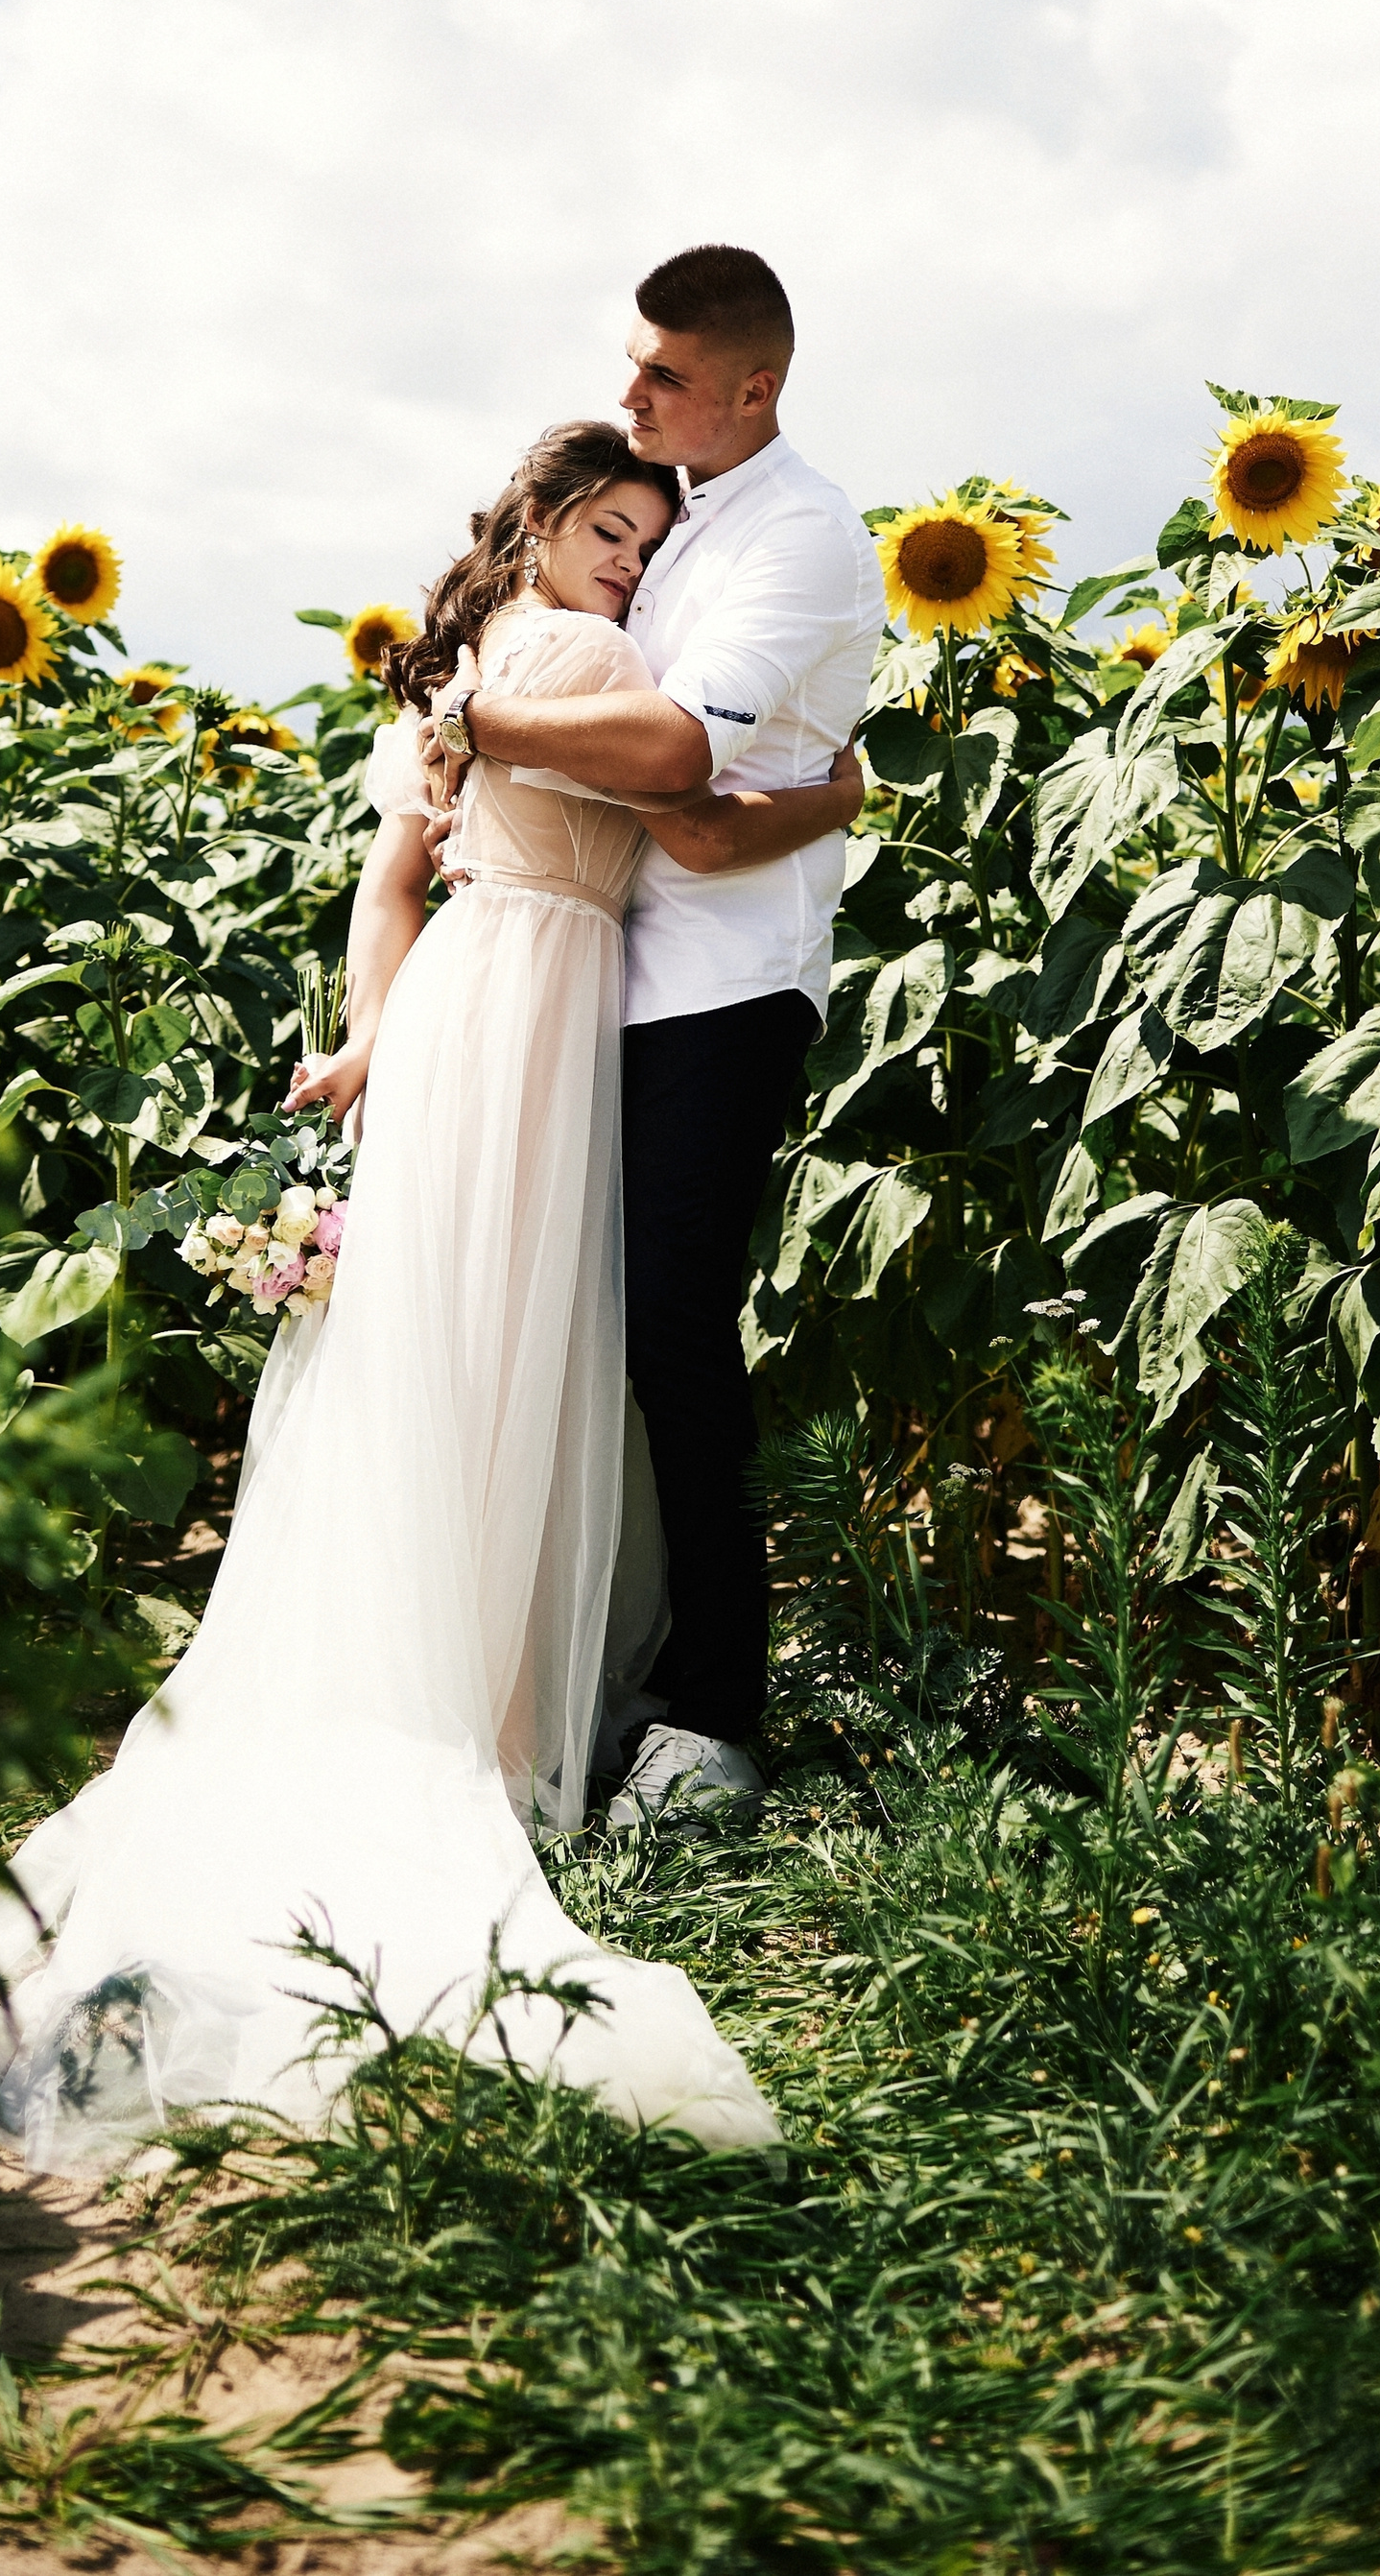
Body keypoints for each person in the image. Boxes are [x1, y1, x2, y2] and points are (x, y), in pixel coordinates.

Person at [0, 417, 861, 2166]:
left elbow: (390, 886)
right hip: (538, 998)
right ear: (538, 526)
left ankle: (471, 1689)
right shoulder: (589, 662)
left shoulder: (450, 674)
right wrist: (841, 790)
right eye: (607, 526)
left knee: (445, 1347)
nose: (630, 562)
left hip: (470, 1004)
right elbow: (695, 820)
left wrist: (376, 1034)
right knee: (522, 1342)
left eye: (647, 542)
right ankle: (501, 1724)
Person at [423, 247, 886, 1831]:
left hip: (722, 988)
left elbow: (681, 767)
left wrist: (478, 723)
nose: (630, 397)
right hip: (596, 981)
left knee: (678, 1332)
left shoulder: (806, 533)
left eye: (665, 375)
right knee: (594, 1335)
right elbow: (670, 792)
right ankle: (589, 1666)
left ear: (756, 385)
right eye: (631, 366)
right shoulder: (676, 520)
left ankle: (716, 1710)